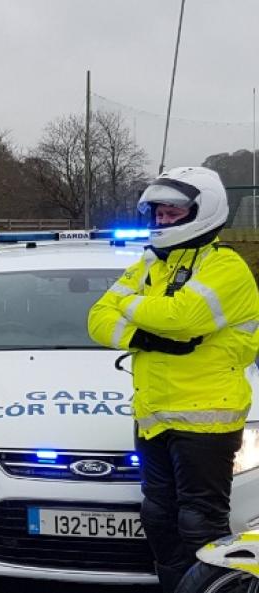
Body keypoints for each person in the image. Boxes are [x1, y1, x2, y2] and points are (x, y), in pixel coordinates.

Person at [88, 166, 259, 592]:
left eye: (173, 213)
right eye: (159, 214)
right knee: (159, 519)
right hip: (152, 415)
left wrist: (128, 304)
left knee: (199, 523)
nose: (163, 221)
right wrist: (147, 335)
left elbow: (181, 319)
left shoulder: (226, 267)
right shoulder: (151, 266)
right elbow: (96, 319)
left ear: (202, 212)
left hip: (207, 418)